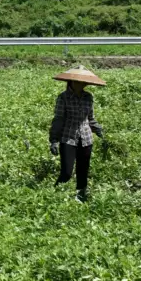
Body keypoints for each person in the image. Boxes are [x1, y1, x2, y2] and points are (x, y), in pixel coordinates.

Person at [49, 67, 105, 199]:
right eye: (80, 82)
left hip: (86, 138)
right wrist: (54, 140)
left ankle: (81, 197)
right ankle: (53, 197)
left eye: (84, 83)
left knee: (83, 171)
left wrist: (99, 130)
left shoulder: (88, 97)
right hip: (68, 137)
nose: (83, 85)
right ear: (72, 82)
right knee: (67, 173)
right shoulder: (63, 98)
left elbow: (90, 119)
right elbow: (58, 119)